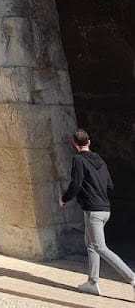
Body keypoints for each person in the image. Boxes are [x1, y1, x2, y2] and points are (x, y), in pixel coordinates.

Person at [59, 127, 135, 297]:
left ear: (74, 144)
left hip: (93, 211)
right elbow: (109, 185)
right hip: (104, 208)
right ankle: (92, 283)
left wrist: (64, 199)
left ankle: (132, 278)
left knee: (100, 247)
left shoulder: (78, 159)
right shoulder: (99, 159)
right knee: (91, 245)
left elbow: (76, 184)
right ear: (89, 142)